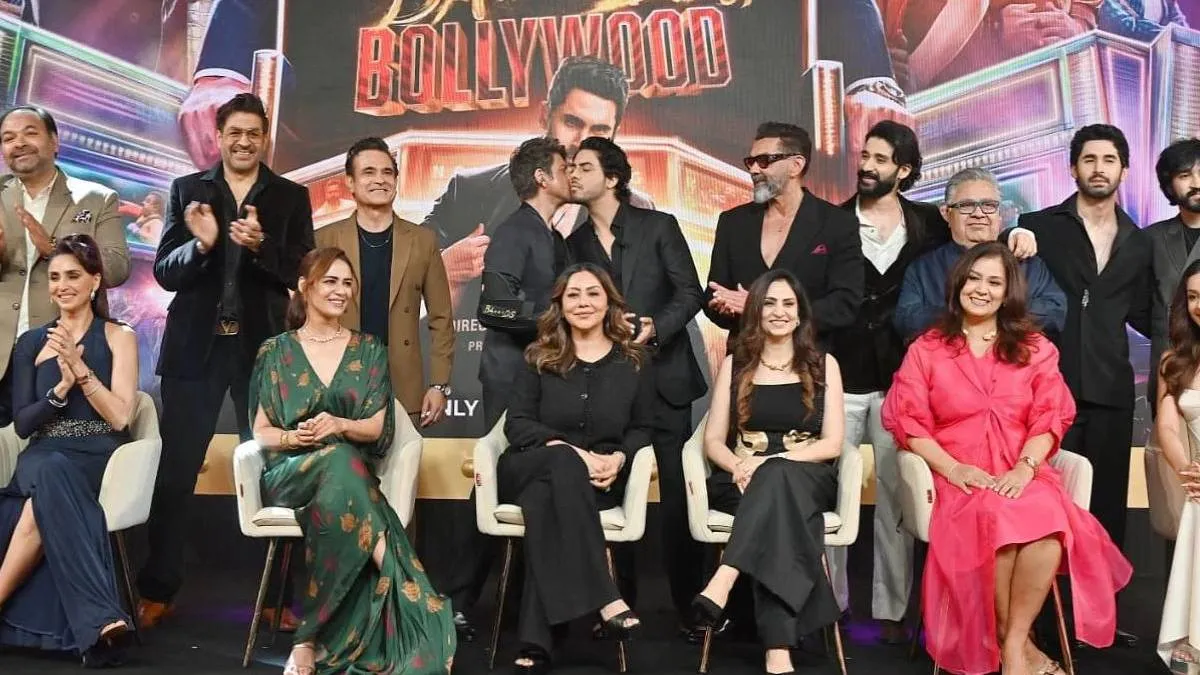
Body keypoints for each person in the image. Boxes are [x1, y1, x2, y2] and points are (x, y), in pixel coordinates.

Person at [881, 242, 1132, 675]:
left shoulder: (1035, 347)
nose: (982, 289)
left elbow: (1050, 418)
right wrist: (954, 468)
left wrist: (1024, 468)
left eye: (994, 282)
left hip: (1021, 469)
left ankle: (1013, 644)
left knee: (1048, 523)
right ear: (958, 283)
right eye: (974, 278)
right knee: (995, 516)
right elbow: (909, 423)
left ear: (1007, 292)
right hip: (957, 474)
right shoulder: (928, 348)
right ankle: (1018, 649)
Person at [138, 93, 315, 628]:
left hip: (262, 353)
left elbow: (301, 273)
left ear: (265, 138)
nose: (243, 142)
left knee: (275, 471)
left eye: (253, 133)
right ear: (219, 136)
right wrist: (203, 246)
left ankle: (277, 599)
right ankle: (158, 589)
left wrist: (260, 247)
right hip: (194, 351)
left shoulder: (290, 196)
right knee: (175, 474)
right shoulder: (188, 190)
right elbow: (166, 272)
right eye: (234, 132)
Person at [249, 247, 456, 675]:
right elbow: (262, 431)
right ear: (304, 287)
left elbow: (377, 427)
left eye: (347, 283)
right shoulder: (275, 351)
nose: (341, 291)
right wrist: (294, 436)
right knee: (340, 464)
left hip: (347, 475)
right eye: (330, 281)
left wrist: (339, 424)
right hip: (293, 471)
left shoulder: (369, 349)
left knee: (341, 463)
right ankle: (397, 573)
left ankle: (306, 641)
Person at [565, 136, 707, 638]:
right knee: (612, 487)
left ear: (613, 178)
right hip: (610, 388)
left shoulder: (658, 226)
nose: (573, 174)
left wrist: (656, 327)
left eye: (584, 167)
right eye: (571, 166)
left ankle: (692, 607)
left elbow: (690, 293)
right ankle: (616, 605)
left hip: (666, 381)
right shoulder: (574, 245)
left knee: (678, 498)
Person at [1017, 126, 1150, 653]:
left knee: (1106, 511)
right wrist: (1014, 240)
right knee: (1048, 508)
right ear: (1072, 168)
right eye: (1089, 159)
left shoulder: (1139, 240)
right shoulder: (1037, 227)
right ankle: (1039, 622)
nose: (1099, 168)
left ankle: (1098, 622)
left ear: (1123, 170)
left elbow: (1148, 313)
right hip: (1048, 392)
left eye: (1109, 159)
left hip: (1112, 390)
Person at [690, 269, 845, 675]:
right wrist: (738, 466)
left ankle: (725, 576)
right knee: (780, 518)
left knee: (776, 477)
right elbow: (713, 441)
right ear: (756, 311)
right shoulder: (735, 365)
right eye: (770, 303)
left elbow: (832, 444)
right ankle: (779, 650)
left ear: (800, 313)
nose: (779, 312)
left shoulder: (824, 364)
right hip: (743, 478)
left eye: (788, 304)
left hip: (807, 475)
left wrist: (768, 464)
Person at [501, 263, 650, 673]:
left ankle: (536, 642)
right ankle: (606, 596)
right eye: (573, 295)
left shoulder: (633, 361)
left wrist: (619, 458)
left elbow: (642, 427)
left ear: (609, 303)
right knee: (560, 465)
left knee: (543, 507)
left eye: (593, 293)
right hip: (527, 467)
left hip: (592, 483)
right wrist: (575, 453)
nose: (583, 303)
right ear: (560, 305)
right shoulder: (538, 357)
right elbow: (518, 424)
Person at [0, 234, 138, 666]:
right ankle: (100, 617)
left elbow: (121, 418)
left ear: (95, 281)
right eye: (55, 277)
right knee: (51, 468)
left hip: (96, 456)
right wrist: (59, 391)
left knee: (39, 503)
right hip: (42, 452)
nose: (62, 285)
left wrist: (80, 372)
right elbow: (23, 423)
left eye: (73, 276)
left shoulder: (119, 336)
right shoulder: (30, 343)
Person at [315, 137, 455, 426]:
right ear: (350, 183)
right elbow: (309, 316)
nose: (380, 180)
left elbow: (441, 317)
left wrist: (439, 384)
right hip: (337, 380)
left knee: (403, 456)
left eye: (387, 172)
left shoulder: (423, 240)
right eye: (368, 172)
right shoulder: (325, 239)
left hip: (402, 382)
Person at [705, 122, 864, 349]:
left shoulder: (837, 224)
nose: (754, 170)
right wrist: (722, 306)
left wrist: (762, 308)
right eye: (751, 162)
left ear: (796, 165)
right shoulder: (733, 222)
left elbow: (844, 304)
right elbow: (713, 293)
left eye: (764, 161)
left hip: (808, 358)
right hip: (745, 360)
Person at [0, 105, 130, 376]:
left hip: (66, 354)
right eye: (9, 138)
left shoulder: (97, 199)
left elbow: (117, 269)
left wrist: (54, 249)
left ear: (54, 142)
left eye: (30, 133)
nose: (19, 143)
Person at [894, 167, 1066, 341]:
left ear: (999, 214)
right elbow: (906, 321)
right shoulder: (923, 269)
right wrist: (968, 314)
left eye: (988, 205)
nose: (978, 214)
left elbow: (1055, 311)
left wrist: (993, 314)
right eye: (966, 205)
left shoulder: (1027, 262)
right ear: (946, 213)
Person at [477, 137, 574, 428]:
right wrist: (552, 319)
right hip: (510, 376)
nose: (571, 175)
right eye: (564, 169)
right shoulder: (513, 232)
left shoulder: (556, 238)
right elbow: (493, 308)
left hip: (546, 371)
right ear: (542, 177)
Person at [1155, 259, 1200, 672]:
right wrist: (1189, 471)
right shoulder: (1175, 359)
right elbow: (1167, 426)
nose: (1199, 305)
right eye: (1193, 297)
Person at [1146, 138, 1200, 416]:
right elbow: (1135, 304)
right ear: (1169, 185)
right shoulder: (1150, 239)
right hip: (1170, 367)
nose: (1197, 182)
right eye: (1185, 175)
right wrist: (1168, 323)